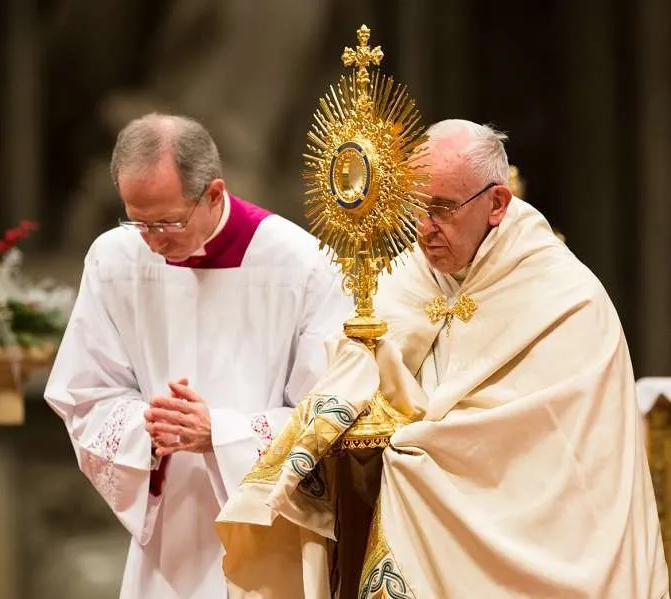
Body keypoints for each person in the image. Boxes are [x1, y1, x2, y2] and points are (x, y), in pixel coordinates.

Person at [216, 119, 668, 598]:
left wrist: (420, 448)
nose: (425, 229)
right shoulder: (410, 273)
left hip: (547, 538)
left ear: (497, 204)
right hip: (417, 504)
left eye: (442, 209)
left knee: (409, 478)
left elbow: (551, 455)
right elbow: (355, 365)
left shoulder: (568, 300)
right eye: (415, 208)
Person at [44, 113, 353, 598]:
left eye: (167, 221)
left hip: (269, 537)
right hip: (170, 542)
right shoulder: (115, 260)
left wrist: (220, 434)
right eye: (137, 220)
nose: (152, 239)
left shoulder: (304, 266)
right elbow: (82, 393)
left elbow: (331, 414)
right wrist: (146, 427)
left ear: (213, 194)